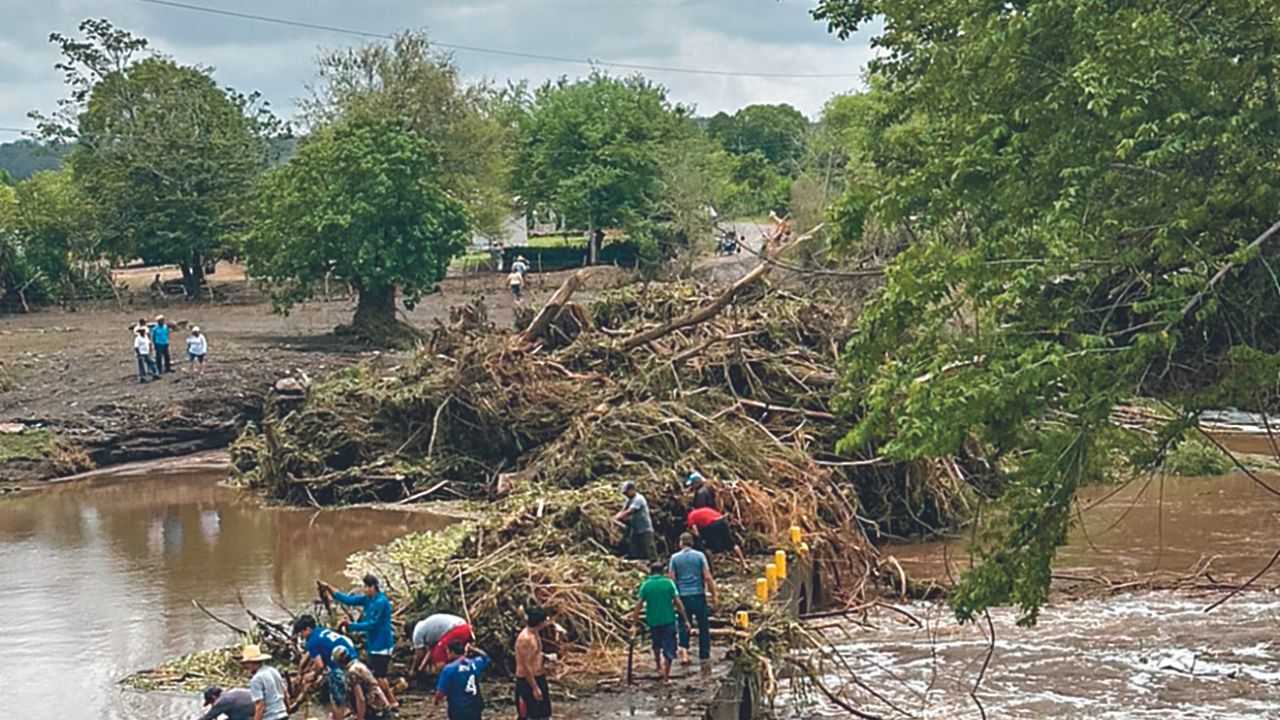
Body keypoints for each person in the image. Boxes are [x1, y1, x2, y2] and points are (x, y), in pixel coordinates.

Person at [322, 576, 398, 709]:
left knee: (380, 676)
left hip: (382, 644)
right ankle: (389, 700)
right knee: (377, 675)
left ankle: (390, 701)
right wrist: (329, 588)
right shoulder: (368, 599)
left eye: (366, 587)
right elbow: (348, 600)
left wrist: (351, 626)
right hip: (374, 643)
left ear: (373, 587)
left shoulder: (380, 602)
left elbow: (372, 624)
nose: (364, 590)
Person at [293, 614, 359, 720]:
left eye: (302, 632)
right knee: (355, 694)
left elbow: (319, 665)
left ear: (308, 629)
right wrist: (300, 671)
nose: (302, 636)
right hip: (354, 660)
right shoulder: (322, 631)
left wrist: (313, 675)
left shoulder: (312, 641)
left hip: (340, 668)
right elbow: (309, 655)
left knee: (336, 700)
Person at [632, 562, 687, 684]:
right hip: (668, 619)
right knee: (669, 648)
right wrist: (686, 619)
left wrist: (634, 623)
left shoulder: (646, 585)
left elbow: (638, 605)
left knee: (656, 644)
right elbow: (678, 603)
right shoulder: (668, 583)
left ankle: (658, 666)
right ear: (663, 571)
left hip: (653, 620)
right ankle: (666, 677)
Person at [669, 532, 716, 664]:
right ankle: (704, 654)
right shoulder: (700, 556)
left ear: (680, 543)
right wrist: (713, 594)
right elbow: (707, 576)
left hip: (682, 596)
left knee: (684, 624)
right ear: (692, 543)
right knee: (703, 625)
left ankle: (684, 651)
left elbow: (671, 578)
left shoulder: (674, 558)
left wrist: (673, 596)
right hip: (698, 594)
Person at [514, 607, 553, 720]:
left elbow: (534, 654)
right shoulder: (525, 639)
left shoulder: (535, 633)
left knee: (544, 713)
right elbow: (525, 664)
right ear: (540, 623)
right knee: (530, 714)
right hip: (528, 681)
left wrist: (546, 657)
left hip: (539, 676)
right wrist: (535, 687)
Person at [435, 641, 491, 720]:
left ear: (452, 652)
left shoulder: (449, 669)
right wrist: (474, 649)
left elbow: (441, 692)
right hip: (475, 706)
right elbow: (486, 657)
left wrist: (436, 701)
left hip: (458, 708)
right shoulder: (475, 663)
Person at [333, 646, 392, 720]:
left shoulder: (352, 672)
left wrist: (360, 718)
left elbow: (360, 698)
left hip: (374, 709)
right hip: (380, 705)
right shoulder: (358, 665)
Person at [408, 612, 473, 674]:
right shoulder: (427, 629)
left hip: (457, 629)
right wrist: (421, 667)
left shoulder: (417, 632)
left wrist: (413, 669)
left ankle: (443, 680)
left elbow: (420, 654)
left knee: (438, 657)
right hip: (465, 627)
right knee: (451, 654)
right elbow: (430, 652)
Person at [239, 644, 289, 720]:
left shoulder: (257, 679)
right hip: (282, 715)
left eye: (246, 664)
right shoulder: (273, 671)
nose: (246, 667)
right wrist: (287, 710)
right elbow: (285, 693)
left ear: (251, 663)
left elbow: (260, 706)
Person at [613, 481, 656, 561]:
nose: (625, 495)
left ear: (632, 490)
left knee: (648, 548)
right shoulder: (628, 500)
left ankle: (654, 564)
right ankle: (637, 561)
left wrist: (617, 517)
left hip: (644, 528)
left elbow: (629, 511)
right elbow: (623, 510)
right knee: (633, 547)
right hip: (635, 529)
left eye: (626, 493)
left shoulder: (638, 499)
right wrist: (614, 518)